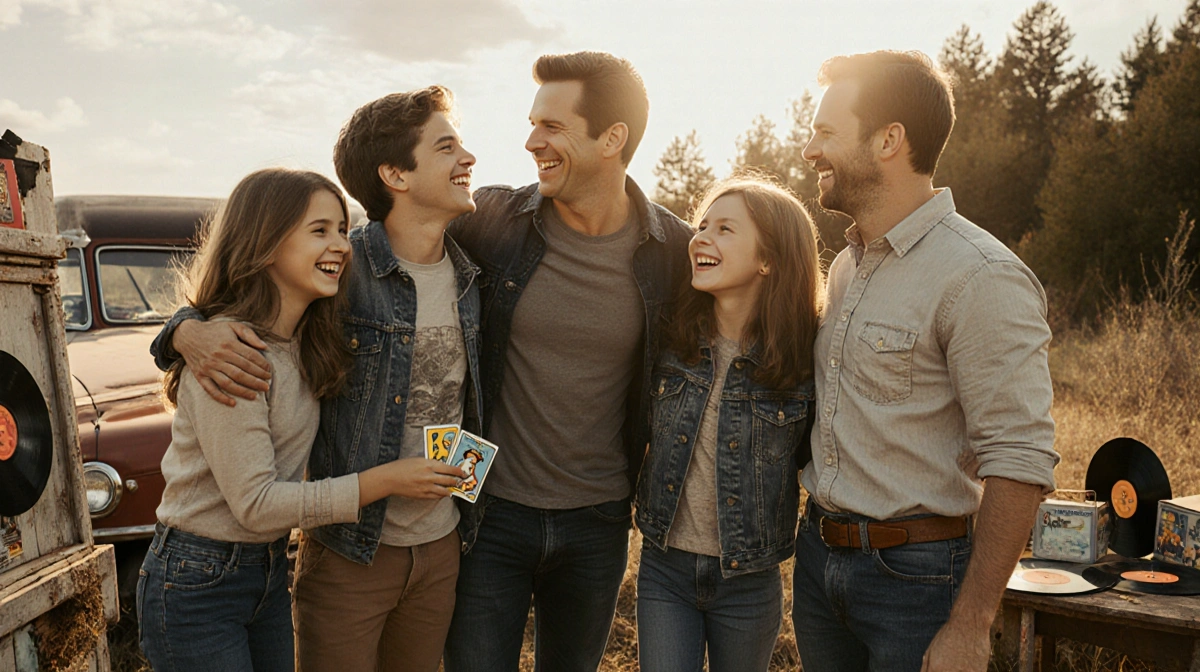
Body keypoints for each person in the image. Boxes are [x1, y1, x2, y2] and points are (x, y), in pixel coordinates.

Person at [148, 86, 484, 672]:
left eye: (337, 229)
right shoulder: (248, 343)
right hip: (228, 568)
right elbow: (253, 501)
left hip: (295, 563)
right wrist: (185, 332)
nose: (337, 245)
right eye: (319, 231)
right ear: (393, 174)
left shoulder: (465, 272)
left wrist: (186, 329)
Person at [790, 50, 1058, 672]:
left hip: (917, 582)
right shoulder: (849, 264)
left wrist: (971, 623)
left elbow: (1019, 457)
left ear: (889, 140)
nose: (809, 150)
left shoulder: (981, 276)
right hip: (819, 562)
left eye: (826, 132)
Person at [442, 51, 693, 672]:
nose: (532, 141)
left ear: (613, 138)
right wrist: (192, 328)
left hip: (599, 518)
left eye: (553, 127)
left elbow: (771, 334)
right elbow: (366, 260)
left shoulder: (676, 251)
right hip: (482, 503)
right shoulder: (490, 221)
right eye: (533, 123)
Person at [634, 175, 822, 671]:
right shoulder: (671, 343)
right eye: (701, 226)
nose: (701, 238)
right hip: (665, 570)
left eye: (724, 229)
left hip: (749, 580)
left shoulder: (802, 362)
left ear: (768, 259)